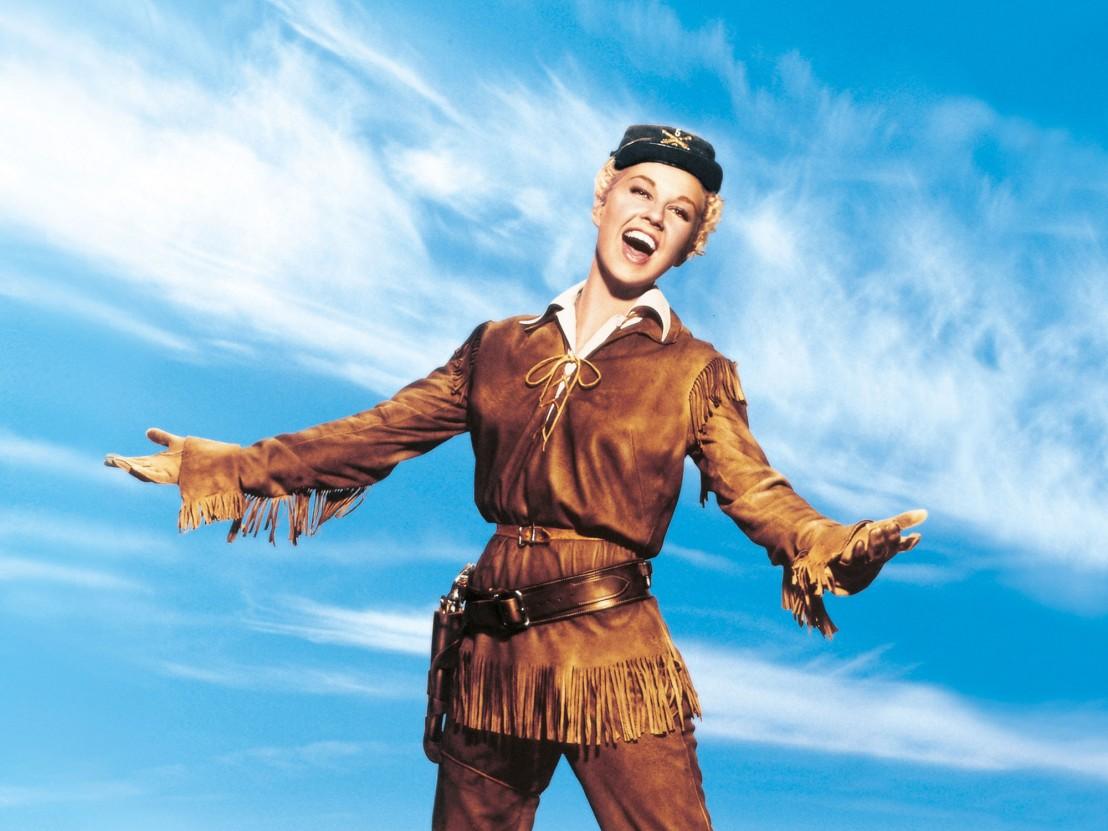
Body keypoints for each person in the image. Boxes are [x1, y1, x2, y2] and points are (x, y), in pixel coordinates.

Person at [106, 124, 926, 830]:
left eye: (679, 212)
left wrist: (834, 543)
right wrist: (226, 465)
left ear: (692, 242)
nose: (653, 216)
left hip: (612, 655)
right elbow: (377, 432)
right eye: (640, 191)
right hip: (491, 656)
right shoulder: (498, 347)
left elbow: (757, 489)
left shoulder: (693, 372)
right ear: (603, 195)